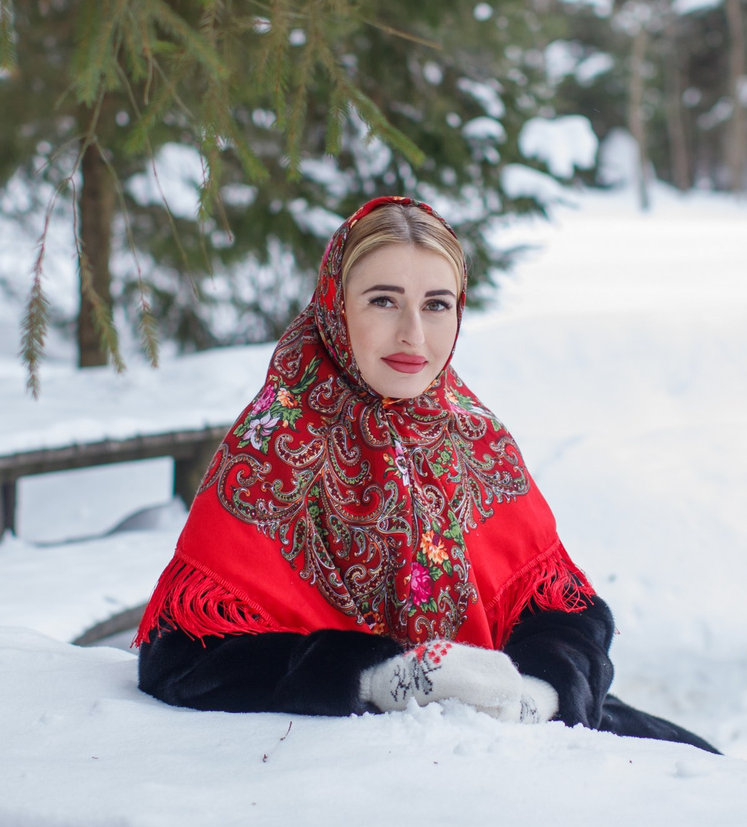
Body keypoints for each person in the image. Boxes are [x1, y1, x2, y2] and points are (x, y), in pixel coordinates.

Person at [136, 196, 715, 751]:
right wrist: (379, 679)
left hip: (508, 742)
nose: (414, 333)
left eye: (437, 304)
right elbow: (181, 659)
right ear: (336, 307)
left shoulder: (474, 436)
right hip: (340, 765)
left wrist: (540, 694)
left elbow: (567, 614)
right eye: (384, 302)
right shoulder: (270, 448)